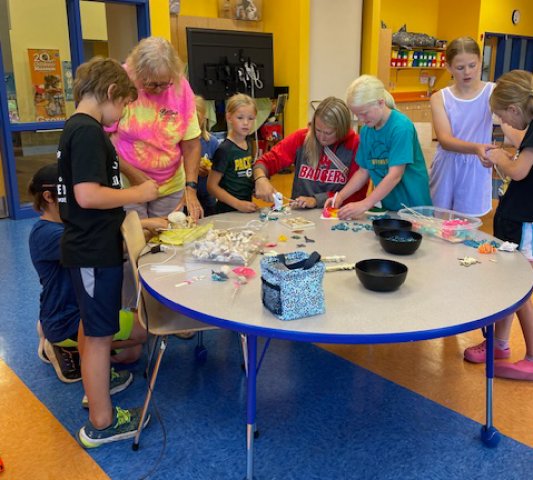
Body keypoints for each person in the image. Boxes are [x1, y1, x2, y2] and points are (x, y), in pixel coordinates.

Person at [57, 56, 158, 447]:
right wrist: (138, 194)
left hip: (94, 249)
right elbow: (87, 195)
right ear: (112, 92)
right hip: (92, 253)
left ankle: (96, 380)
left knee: (92, 325)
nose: (123, 114)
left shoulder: (81, 129)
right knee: (100, 336)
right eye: (125, 106)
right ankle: (102, 420)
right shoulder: (86, 131)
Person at [28, 163, 162, 383]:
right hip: (71, 319)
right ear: (49, 197)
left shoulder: (70, 224)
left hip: (79, 310)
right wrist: (142, 226)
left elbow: (98, 233)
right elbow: (99, 247)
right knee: (148, 328)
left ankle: (69, 342)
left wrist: (143, 226)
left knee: (133, 353)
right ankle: (65, 346)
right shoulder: (46, 235)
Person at [464, 70, 533, 381]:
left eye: (503, 118)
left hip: (525, 224)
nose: (503, 123)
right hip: (515, 218)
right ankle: (500, 343)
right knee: (506, 284)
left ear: (515, 110)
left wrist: (498, 157)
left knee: (520, 290)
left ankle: (532, 357)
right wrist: (506, 158)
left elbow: (518, 171)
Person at [107, 36, 203, 221]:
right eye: (150, 83)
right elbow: (104, 140)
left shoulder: (181, 87)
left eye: (164, 84)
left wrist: (190, 188)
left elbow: (191, 144)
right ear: (137, 73)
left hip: (170, 185)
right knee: (136, 242)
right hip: (129, 184)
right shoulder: (122, 81)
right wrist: (132, 173)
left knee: (166, 241)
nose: (158, 89)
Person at [326, 75, 431, 218]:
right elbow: (363, 171)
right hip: (390, 205)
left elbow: (395, 175)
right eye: (357, 115)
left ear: (381, 103)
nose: (361, 119)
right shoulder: (367, 131)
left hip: (413, 206)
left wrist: (364, 204)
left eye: (364, 113)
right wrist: (340, 196)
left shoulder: (401, 127)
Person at [253, 96, 368, 209]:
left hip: (337, 215)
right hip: (301, 217)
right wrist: (260, 178)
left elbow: (357, 194)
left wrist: (316, 200)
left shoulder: (355, 144)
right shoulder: (301, 138)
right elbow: (266, 161)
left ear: (342, 129)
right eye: (317, 130)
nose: (321, 137)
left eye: (328, 133)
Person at [429, 36, 497, 216]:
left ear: (480, 62)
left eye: (472, 65)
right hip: (446, 167)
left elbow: (511, 125)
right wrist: (477, 147)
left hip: (475, 167)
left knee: (467, 226)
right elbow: (445, 140)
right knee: (438, 222)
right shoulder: (440, 98)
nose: (467, 72)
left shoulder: (492, 92)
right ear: (449, 67)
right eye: (460, 68)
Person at [207, 94, 258, 213]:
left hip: (245, 207)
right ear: (229, 118)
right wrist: (238, 204)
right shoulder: (224, 149)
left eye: (250, 118)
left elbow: (245, 175)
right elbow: (211, 186)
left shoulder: (249, 143)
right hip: (227, 210)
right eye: (240, 118)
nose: (246, 123)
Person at [195, 95, 219, 216]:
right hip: (186, 198)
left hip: (208, 197)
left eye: (196, 118)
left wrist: (210, 171)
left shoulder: (212, 142)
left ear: (203, 118)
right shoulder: (179, 144)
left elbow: (219, 171)